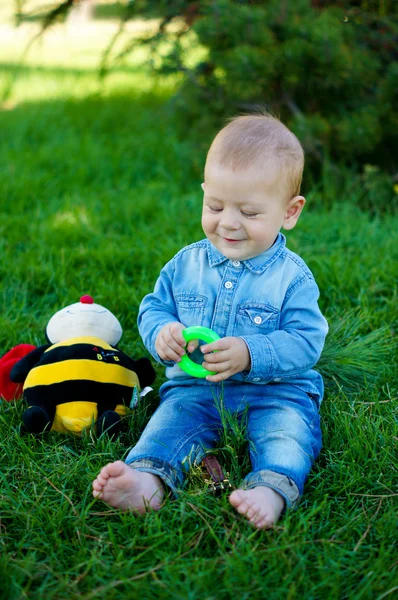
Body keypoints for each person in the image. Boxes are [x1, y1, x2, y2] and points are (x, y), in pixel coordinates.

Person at [92, 113, 328, 529]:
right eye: (215, 206)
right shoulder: (186, 264)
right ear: (204, 194)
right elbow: (154, 308)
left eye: (250, 212)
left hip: (276, 391)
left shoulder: (293, 278)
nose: (228, 222)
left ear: (290, 212)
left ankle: (270, 489)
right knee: (169, 424)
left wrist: (251, 352)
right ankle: (147, 479)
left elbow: (307, 341)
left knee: (287, 436)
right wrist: (161, 333)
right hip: (195, 389)